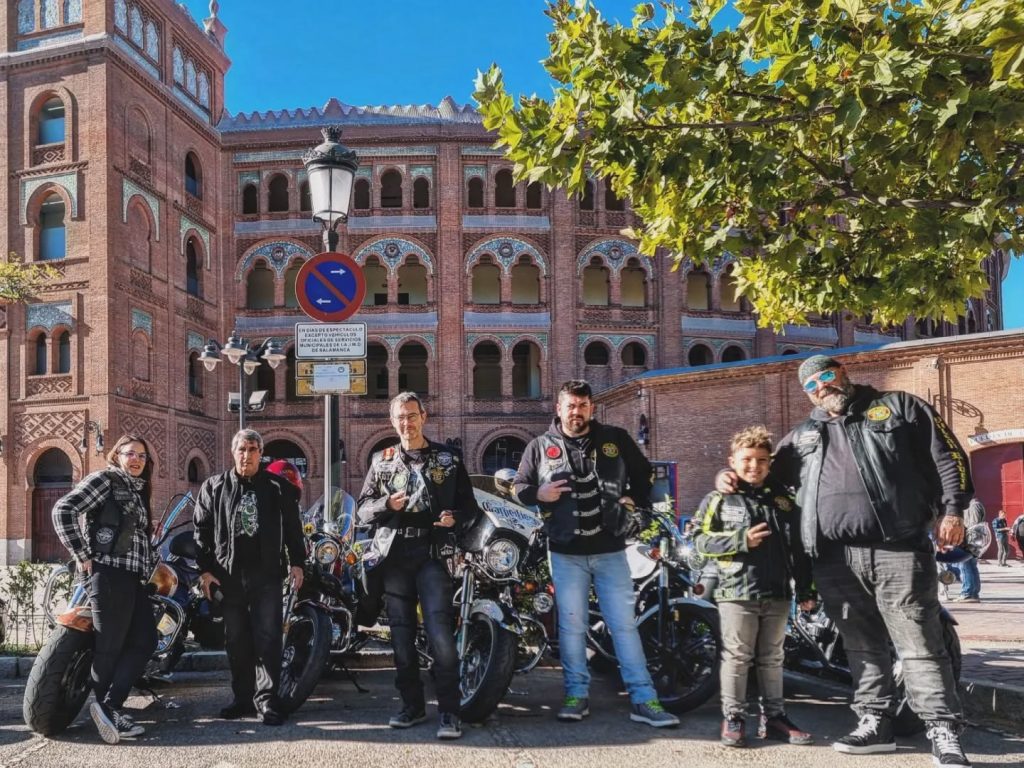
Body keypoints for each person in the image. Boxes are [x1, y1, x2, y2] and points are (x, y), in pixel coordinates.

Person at [719, 355, 973, 766]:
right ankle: (875, 722)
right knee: (862, 645)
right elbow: (760, 473)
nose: (820, 387)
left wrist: (954, 510)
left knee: (919, 643)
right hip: (834, 559)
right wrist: (726, 478)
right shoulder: (803, 435)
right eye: (810, 385)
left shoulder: (899, 407)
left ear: (842, 373)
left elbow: (947, 455)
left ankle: (942, 730)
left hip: (899, 548)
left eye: (825, 376)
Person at [513, 379, 679, 728]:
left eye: (583, 405)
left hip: (610, 550)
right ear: (558, 408)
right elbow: (519, 487)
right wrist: (539, 493)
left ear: (592, 407)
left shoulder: (615, 440)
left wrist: (634, 499)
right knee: (572, 628)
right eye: (571, 405)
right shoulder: (540, 446)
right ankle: (576, 695)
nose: (577, 412)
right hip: (565, 552)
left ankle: (644, 699)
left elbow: (644, 475)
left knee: (624, 626)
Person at [356, 392, 480, 740]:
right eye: (400, 417)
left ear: (424, 416)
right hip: (394, 556)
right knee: (401, 638)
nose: (406, 423)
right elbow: (363, 510)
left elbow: (469, 509)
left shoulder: (449, 459)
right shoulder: (382, 459)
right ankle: (411, 707)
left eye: (412, 415)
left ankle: (450, 713)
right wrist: (386, 504)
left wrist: (454, 518)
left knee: (440, 635)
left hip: (433, 555)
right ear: (392, 421)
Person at [693, 426, 814, 748]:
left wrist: (805, 590)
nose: (753, 466)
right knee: (737, 657)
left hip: (777, 594)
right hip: (736, 593)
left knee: (773, 657)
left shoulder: (784, 502)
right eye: (746, 459)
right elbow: (699, 541)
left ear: (770, 462)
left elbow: (799, 550)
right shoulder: (719, 498)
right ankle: (733, 717)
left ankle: (775, 718)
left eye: (761, 460)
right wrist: (740, 541)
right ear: (732, 460)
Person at [193, 429, 305, 726]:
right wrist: (204, 571)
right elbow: (201, 533)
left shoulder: (278, 487)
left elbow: (294, 529)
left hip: (266, 575)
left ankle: (267, 701)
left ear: (261, 453)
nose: (247, 455)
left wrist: (298, 563)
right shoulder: (214, 487)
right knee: (237, 640)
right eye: (242, 449)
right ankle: (242, 699)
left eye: (253, 449)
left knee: (268, 638)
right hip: (227, 576)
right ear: (233, 452)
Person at [52, 434, 158, 744]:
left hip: (132, 578)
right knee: (109, 644)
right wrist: (82, 554)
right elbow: (63, 509)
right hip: (108, 572)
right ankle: (106, 708)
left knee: (146, 640)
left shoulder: (137, 491)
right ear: (117, 456)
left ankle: (109, 705)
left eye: (141, 455)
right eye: (129, 453)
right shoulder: (106, 480)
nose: (136, 459)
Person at [956, 499, 984, 601]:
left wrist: (968, 542)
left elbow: (974, 525)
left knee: (965, 566)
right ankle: (974, 592)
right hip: (972, 541)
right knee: (972, 566)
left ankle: (967, 593)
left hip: (969, 541)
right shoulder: (974, 505)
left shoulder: (973, 506)